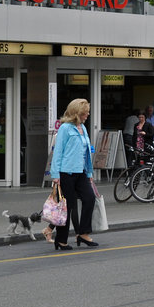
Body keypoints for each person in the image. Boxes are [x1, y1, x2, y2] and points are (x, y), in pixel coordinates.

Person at [49, 98, 99, 250]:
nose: (87, 115)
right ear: (77, 113)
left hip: (81, 171)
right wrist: (55, 174)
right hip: (66, 172)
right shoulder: (65, 128)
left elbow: (86, 152)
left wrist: (89, 172)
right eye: (85, 112)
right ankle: (61, 240)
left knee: (89, 198)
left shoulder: (82, 127)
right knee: (67, 206)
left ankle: (83, 233)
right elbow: (58, 152)